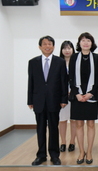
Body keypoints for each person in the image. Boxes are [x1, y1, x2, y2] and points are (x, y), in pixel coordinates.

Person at [27, 36, 68, 166]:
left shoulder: (59, 62)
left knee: (53, 128)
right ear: (40, 47)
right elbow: (31, 82)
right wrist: (30, 100)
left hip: (54, 101)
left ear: (54, 46)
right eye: (44, 44)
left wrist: (63, 99)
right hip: (38, 100)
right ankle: (41, 155)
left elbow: (63, 82)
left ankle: (55, 155)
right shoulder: (33, 62)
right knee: (40, 129)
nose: (47, 46)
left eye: (50, 44)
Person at [69, 32, 98, 164]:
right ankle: (81, 151)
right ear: (79, 43)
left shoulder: (97, 58)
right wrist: (77, 93)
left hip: (91, 95)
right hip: (77, 96)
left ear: (92, 43)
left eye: (88, 40)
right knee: (78, 124)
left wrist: (90, 93)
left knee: (90, 124)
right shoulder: (74, 57)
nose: (86, 42)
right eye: (83, 40)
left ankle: (89, 152)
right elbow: (70, 77)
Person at [58, 41, 77, 152]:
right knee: (62, 120)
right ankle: (63, 142)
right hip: (62, 96)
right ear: (61, 50)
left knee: (73, 120)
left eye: (69, 48)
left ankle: (72, 142)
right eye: (64, 48)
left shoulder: (76, 62)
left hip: (74, 95)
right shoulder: (58, 62)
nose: (67, 50)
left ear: (73, 50)